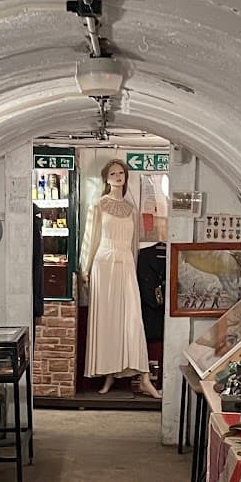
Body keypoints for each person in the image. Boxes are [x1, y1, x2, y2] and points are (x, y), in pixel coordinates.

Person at [78, 161, 160, 397]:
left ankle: (144, 377)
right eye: (113, 173)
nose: (117, 176)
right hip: (103, 265)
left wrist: (133, 270)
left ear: (126, 177)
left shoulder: (131, 209)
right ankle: (108, 375)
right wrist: (85, 268)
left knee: (133, 320)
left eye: (121, 173)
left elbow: (134, 245)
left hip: (125, 265)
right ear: (106, 178)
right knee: (106, 321)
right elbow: (89, 238)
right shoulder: (98, 205)